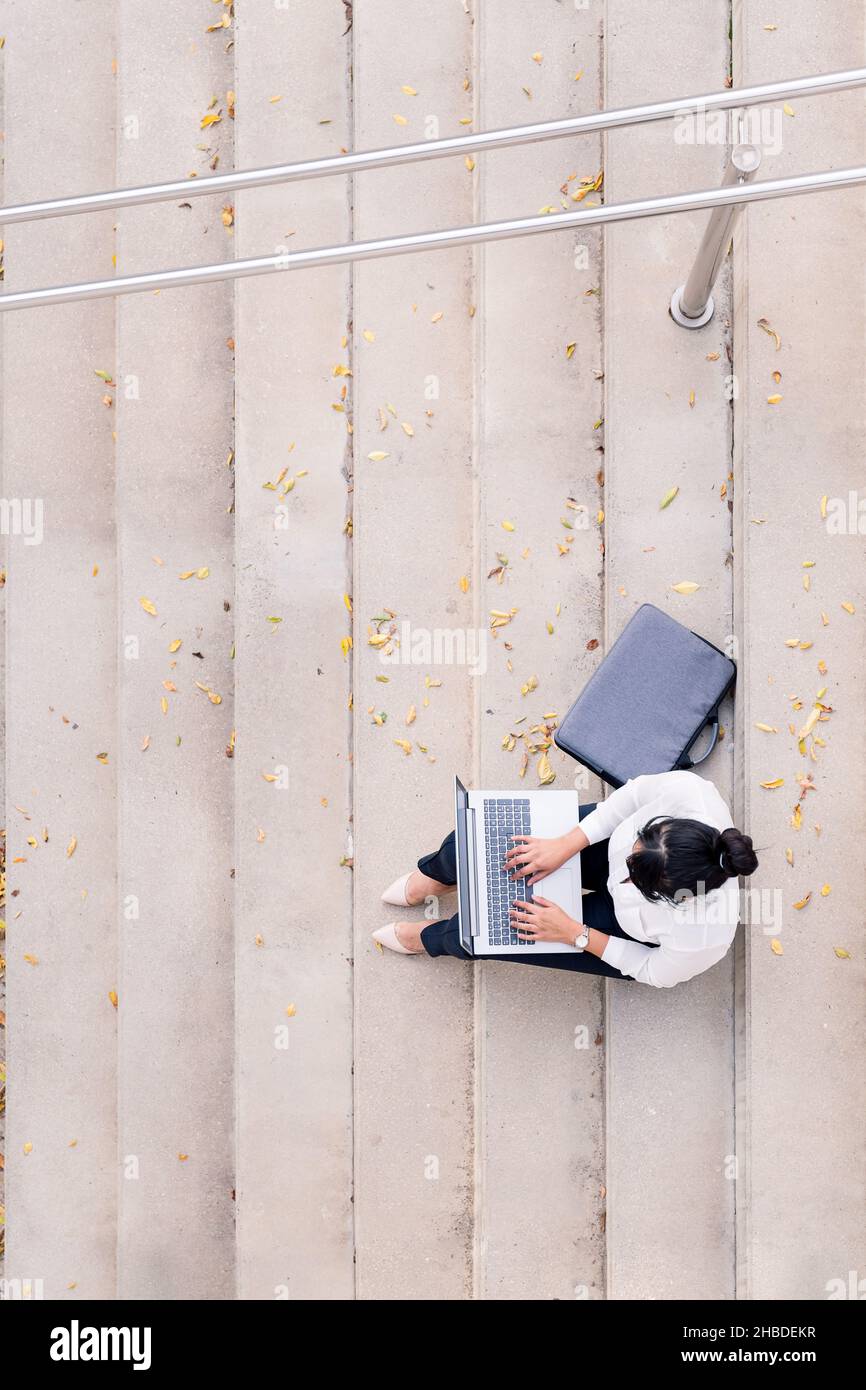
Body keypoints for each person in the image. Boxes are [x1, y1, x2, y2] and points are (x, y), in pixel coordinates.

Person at [373, 770, 758, 988]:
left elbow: (651, 970)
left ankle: (431, 938)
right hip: (594, 843)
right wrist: (565, 844)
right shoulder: (691, 794)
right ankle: (439, 875)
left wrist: (575, 932)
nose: (624, 864)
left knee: (499, 933)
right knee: (482, 841)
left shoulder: (704, 936)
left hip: (618, 930)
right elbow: (631, 797)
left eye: (633, 874)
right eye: (641, 838)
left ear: (673, 897)